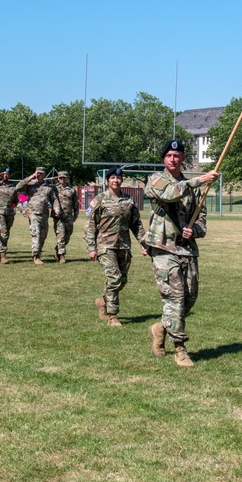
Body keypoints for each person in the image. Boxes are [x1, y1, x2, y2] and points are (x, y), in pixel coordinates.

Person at [144, 140, 220, 368]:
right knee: (175, 298)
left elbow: (202, 220)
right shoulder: (156, 180)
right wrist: (199, 180)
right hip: (163, 248)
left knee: (189, 299)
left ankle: (160, 328)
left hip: (187, 249)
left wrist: (193, 230)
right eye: (169, 155)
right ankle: (180, 349)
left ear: (183, 158)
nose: (173, 159)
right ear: (163, 159)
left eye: (177, 155)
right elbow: (169, 194)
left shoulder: (195, 190)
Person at [86, 167, 146, 327]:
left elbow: (136, 224)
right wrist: (91, 247)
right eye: (112, 178)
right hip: (105, 246)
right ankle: (113, 316)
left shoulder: (129, 200)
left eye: (118, 178)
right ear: (108, 181)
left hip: (124, 245)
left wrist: (144, 243)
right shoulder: (99, 200)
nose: (116, 180)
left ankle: (103, 301)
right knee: (114, 278)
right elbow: (91, 225)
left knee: (122, 280)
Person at [16, 167, 63, 264]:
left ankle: (38, 251)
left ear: (44, 175)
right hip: (33, 213)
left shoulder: (48, 187)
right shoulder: (30, 184)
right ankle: (36, 256)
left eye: (41, 173)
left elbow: (54, 200)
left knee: (43, 235)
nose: (39, 175)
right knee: (36, 234)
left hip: (45, 214)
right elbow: (18, 187)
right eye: (37, 173)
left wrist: (57, 209)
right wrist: (31, 177)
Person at [53, 171, 79, 263]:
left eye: (64, 178)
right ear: (58, 178)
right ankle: (62, 256)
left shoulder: (71, 189)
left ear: (66, 178)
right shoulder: (54, 188)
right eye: (60, 178)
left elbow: (75, 203)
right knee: (61, 236)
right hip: (58, 216)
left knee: (68, 235)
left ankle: (58, 249)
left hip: (68, 216)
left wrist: (76, 214)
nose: (62, 180)